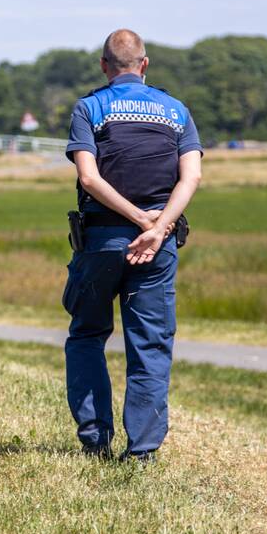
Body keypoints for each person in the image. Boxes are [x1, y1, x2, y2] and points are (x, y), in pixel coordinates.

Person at [62, 29, 202, 463]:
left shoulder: (89, 108)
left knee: (87, 334)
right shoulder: (177, 111)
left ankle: (95, 440)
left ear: (104, 66)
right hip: (158, 245)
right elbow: (192, 177)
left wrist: (139, 220)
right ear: (144, 64)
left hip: (102, 240)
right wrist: (158, 227)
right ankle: (141, 450)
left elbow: (89, 178)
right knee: (150, 345)